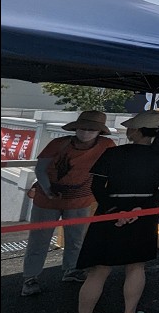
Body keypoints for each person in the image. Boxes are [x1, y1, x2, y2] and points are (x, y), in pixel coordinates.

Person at [70, 109, 159, 313]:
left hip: (108, 213)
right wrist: (141, 209)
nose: (128, 130)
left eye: (131, 127)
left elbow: (97, 187)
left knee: (98, 270)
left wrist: (115, 210)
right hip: (145, 214)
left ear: (137, 131)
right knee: (136, 266)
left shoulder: (113, 154)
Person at [20, 110, 116, 297]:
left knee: (76, 238)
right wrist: (48, 190)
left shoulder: (107, 145)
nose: (86, 132)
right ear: (76, 128)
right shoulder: (59, 143)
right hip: (47, 199)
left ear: (99, 132)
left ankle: (72, 269)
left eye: (91, 129)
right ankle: (30, 277)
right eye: (82, 128)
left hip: (81, 198)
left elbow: (114, 166)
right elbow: (41, 169)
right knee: (39, 239)